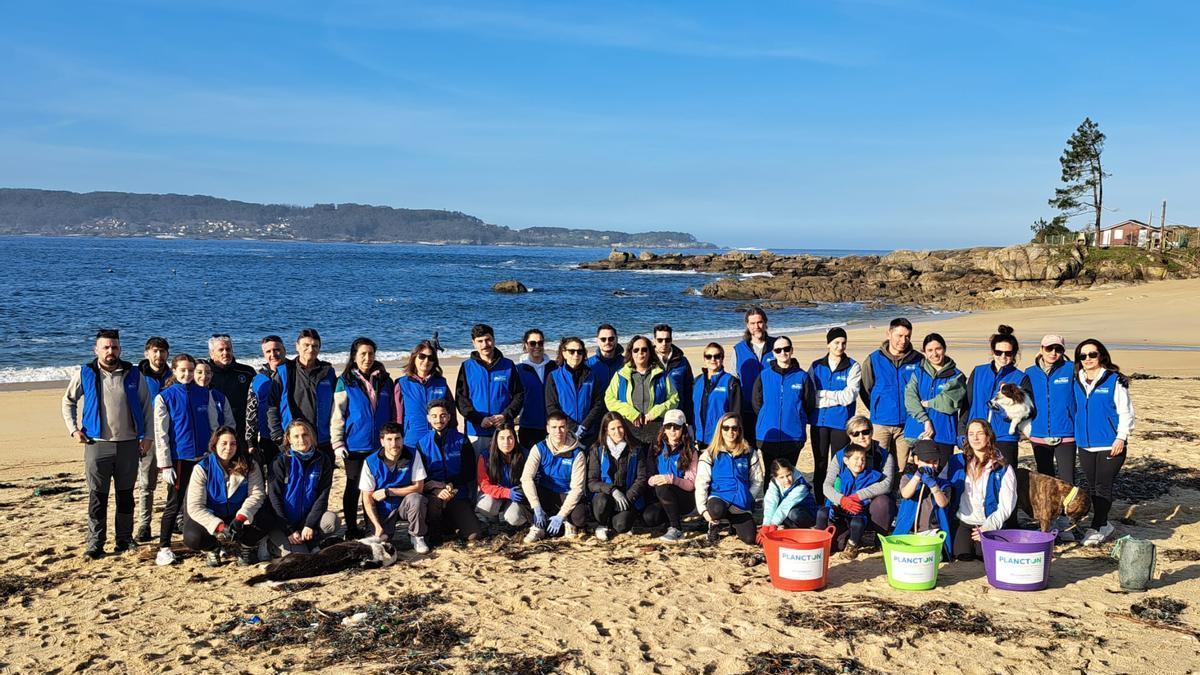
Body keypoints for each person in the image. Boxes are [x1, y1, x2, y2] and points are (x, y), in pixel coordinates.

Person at [61, 329, 153, 559]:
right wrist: (73, 429)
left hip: (129, 444)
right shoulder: (86, 373)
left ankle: (124, 539)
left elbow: (146, 407)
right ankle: (95, 543)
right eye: (106, 347)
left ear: (120, 349)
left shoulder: (133, 373)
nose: (110, 351)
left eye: (114, 347)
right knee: (97, 497)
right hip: (97, 444)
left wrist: (148, 437)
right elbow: (68, 401)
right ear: (96, 350)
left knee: (125, 496)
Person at [153, 353, 224, 566]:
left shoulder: (204, 394)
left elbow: (214, 427)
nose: (187, 374)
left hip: (203, 457)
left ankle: (210, 544)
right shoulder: (165, 397)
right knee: (174, 504)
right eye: (182, 370)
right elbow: (161, 434)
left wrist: (216, 455)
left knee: (207, 502)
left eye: (191, 370)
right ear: (174, 371)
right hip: (179, 459)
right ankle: (164, 548)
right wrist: (165, 464)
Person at [331, 337, 395, 539]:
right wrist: (337, 442)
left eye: (371, 354)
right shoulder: (344, 381)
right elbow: (338, 414)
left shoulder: (385, 380)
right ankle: (351, 528)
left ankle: (372, 526)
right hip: (354, 446)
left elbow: (392, 411)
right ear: (354, 356)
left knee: (375, 488)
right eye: (363, 354)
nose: (367, 358)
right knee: (353, 487)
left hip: (379, 445)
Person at [1073, 339, 1135, 546]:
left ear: (1101, 355)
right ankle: (1104, 523)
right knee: (1092, 486)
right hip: (1085, 443)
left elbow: (1126, 411)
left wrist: (1121, 437)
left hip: (1110, 443)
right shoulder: (1077, 379)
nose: (1088, 359)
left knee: (1103, 486)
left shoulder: (1113, 380)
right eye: (1083, 356)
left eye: (1092, 354)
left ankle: (1097, 526)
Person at [183, 426, 267, 567]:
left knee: (267, 519)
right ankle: (213, 547)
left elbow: (257, 494)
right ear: (215, 445)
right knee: (192, 537)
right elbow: (195, 506)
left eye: (233, 444)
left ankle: (245, 547)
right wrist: (219, 526)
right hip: (213, 514)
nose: (228, 448)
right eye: (224, 443)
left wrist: (241, 518)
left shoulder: (249, 464)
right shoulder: (202, 468)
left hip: (239, 514)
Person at [962, 325, 1034, 481]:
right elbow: (967, 403)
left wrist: (1003, 411)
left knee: (1005, 481)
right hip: (976, 436)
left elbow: (1027, 411)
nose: (1003, 356)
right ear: (992, 351)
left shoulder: (1021, 378)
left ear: (1014, 354)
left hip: (1004, 437)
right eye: (998, 352)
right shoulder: (979, 371)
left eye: (1008, 353)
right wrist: (962, 431)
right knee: (974, 481)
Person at [265, 420, 340, 556]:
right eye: (296, 436)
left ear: (311, 436)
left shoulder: (322, 459)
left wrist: (309, 524)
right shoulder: (280, 461)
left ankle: (311, 540)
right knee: (300, 556)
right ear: (289, 439)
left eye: (305, 434)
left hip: (306, 520)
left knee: (332, 521)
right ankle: (272, 545)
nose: (301, 439)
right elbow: (274, 498)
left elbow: (322, 497)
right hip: (283, 523)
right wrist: (289, 530)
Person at [823, 415, 896, 550]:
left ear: (872, 432)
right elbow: (827, 485)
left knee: (883, 503)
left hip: (871, 504)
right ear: (849, 436)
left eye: (865, 432)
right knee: (838, 545)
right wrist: (842, 500)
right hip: (846, 507)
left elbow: (887, 484)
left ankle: (880, 538)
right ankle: (853, 535)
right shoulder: (840, 456)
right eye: (855, 434)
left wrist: (857, 496)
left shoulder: (885, 456)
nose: (861, 437)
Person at [860, 317, 923, 472]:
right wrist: (877, 408)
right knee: (878, 465)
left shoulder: (918, 360)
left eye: (907, 336)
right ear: (889, 334)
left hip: (907, 423)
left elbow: (922, 390)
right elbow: (865, 389)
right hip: (881, 423)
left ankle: (897, 488)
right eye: (899, 336)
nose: (903, 340)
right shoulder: (874, 359)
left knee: (900, 467)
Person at [949, 419, 1017, 560]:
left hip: (988, 523)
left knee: (984, 557)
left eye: (980, 433)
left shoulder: (1003, 468)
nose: (975, 438)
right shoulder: (956, 462)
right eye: (971, 434)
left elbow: (1006, 506)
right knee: (962, 557)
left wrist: (988, 527)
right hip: (963, 521)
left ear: (988, 436)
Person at [415, 400, 482, 544]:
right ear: (428, 418)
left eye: (443, 415)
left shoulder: (461, 440)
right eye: (434, 416)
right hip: (434, 495)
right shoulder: (421, 444)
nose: (438, 420)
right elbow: (420, 475)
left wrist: (451, 485)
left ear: (449, 417)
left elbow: (469, 471)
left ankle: (453, 523)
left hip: (456, 492)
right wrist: (436, 489)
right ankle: (436, 530)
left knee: (473, 535)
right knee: (434, 506)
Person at [808, 327, 860, 502]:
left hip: (841, 423)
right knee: (820, 463)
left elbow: (849, 396)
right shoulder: (816, 366)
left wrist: (824, 394)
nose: (840, 346)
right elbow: (811, 395)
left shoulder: (853, 366)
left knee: (837, 463)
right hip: (819, 422)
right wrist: (835, 397)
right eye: (836, 342)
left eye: (843, 343)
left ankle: (835, 500)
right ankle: (819, 500)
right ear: (828, 344)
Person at [695, 412, 763, 546]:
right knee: (717, 510)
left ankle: (733, 523)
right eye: (726, 428)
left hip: (740, 502)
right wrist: (703, 510)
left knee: (750, 538)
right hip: (719, 498)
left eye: (734, 428)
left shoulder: (749, 453)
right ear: (720, 430)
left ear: (739, 430)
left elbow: (757, 480)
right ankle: (714, 525)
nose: (730, 432)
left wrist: (749, 496)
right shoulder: (710, 454)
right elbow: (701, 483)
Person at [902, 333, 967, 470]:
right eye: (930, 350)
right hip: (919, 432)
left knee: (941, 474)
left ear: (944, 349)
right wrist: (925, 420)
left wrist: (929, 403)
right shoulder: (918, 373)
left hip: (943, 434)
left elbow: (949, 403)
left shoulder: (956, 375)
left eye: (938, 349)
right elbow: (910, 398)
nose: (934, 354)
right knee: (919, 475)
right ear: (924, 352)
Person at [520, 412, 588, 542]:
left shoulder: (577, 453)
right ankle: (537, 526)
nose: (558, 431)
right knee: (520, 493)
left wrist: (561, 515)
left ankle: (568, 523)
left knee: (580, 517)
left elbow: (577, 489)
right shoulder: (539, 448)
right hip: (545, 492)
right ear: (547, 429)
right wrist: (536, 506)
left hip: (566, 494)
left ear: (567, 428)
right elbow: (526, 478)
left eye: (562, 427)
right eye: (554, 427)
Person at [361, 422, 429, 552]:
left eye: (397, 438)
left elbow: (418, 487)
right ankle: (380, 529)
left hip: (405, 504)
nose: (394, 444)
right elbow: (367, 498)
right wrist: (376, 525)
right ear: (382, 441)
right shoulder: (370, 461)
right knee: (378, 543)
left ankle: (417, 536)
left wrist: (389, 491)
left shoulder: (413, 454)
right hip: (383, 508)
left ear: (403, 439)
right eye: (389, 439)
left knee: (417, 498)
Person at [268, 328, 337, 452]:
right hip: (294, 439)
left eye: (315, 346)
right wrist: (277, 434)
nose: (310, 349)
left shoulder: (328, 372)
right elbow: (272, 406)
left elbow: (337, 404)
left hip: (322, 439)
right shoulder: (284, 372)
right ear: (297, 346)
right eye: (306, 345)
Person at [604, 335, 680, 445]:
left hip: (656, 430)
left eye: (644, 349)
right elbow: (609, 399)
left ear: (649, 352)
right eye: (636, 350)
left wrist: (656, 411)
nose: (640, 353)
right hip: (628, 430)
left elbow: (674, 399)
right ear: (631, 353)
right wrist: (630, 412)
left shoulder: (661, 375)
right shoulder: (620, 375)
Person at [456, 324, 524, 446]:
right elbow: (461, 399)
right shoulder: (467, 366)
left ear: (494, 340)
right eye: (480, 341)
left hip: (503, 431)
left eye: (488, 339)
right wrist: (478, 419)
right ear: (474, 343)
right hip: (476, 431)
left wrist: (505, 415)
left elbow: (518, 395)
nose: (485, 344)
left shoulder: (508, 365)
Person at [587, 411, 650, 541]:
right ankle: (602, 524)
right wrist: (612, 490)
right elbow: (592, 482)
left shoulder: (636, 448)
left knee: (622, 525)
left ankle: (617, 522)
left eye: (620, 427)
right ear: (606, 430)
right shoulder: (597, 449)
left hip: (628, 497)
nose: (617, 431)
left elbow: (641, 478)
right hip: (606, 495)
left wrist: (628, 497)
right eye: (613, 428)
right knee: (601, 502)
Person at [752, 336, 811, 470]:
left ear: (792, 350)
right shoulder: (764, 375)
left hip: (793, 436)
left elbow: (808, 404)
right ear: (773, 353)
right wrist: (767, 416)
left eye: (786, 349)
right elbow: (757, 402)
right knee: (770, 474)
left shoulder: (802, 376)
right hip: (768, 435)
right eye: (778, 350)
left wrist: (797, 418)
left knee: (788, 474)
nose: (783, 352)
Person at [817, 442, 885, 558]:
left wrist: (861, 502)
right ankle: (819, 540)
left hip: (858, 513)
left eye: (863, 459)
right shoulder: (839, 478)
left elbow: (872, 495)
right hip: (839, 513)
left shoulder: (872, 477)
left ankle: (852, 545)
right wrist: (837, 504)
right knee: (822, 512)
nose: (860, 462)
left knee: (857, 522)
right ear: (846, 461)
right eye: (856, 459)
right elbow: (832, 496)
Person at [1027, 335, 1078, 485]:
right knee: (1046, 482)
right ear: (1041, 349)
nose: (1053, 353)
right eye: (1049, 348)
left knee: (1067, 482)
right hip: (1039, 434)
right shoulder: (1030, 372)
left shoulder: (1071, 369)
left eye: (1058, 349)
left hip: (1066, 433)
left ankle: (1068, 503)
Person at [642, 409, 699, 542]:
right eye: (668, 426)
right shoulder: (656, 446)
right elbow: (649, 473)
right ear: (664, 428)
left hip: (684, 497)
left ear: (683, 428)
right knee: (650, 517)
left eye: (677, 427)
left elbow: (691, 484)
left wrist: (671, 479)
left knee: (663, 487)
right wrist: (653, 480)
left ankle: (676, 528)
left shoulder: (690, 450)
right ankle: (670, 519)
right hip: (661, 496)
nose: (672, 430)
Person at [135, 336, 171, 543]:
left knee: (173, 482)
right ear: (147, 353)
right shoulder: (137, 376)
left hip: (170, 437)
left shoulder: (174, 375)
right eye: (155, 351)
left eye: (162, 351)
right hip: (147, 436)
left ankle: (176, 520)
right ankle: (144, 524)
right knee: (147, 484)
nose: (159, 355)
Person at [892, 439, 954, 559]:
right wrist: (917, 477)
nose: (931, 466)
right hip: (909, 531)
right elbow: (905, 494)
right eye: (927, 462)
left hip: (932, 532)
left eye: (935, 462)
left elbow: (943, 503)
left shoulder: (943, 484)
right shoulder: (907, 478)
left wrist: (933, 485)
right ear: (916, 460)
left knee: (932, 556)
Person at [545, 336, 605, 448]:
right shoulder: (554, 376)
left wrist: (584, 426)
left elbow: (598, 403)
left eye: (579, 351)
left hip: (589, 433)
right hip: (564, 434)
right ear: (564, 353)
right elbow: (551, 406)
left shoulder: (592, 376)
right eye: (571, 351)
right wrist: (572, 427)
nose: (576, 355)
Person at [732, 307, 776, 447]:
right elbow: (734, 381)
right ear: (747, 325)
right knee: (748, 450)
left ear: (765, 323)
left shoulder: (777, 346)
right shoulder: (738, 349)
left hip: (771, 408)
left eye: (759, 322)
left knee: (770, 450)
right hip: (747, 410)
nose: (756, 326)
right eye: (752, 323)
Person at [394, 339, 453, 440]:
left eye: (431, 358)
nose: (426, 361)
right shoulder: (402, 383)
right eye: (422, 356)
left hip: (438, 438)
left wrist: (452, 434)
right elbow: (397, 415)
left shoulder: (441, 383)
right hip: (412, 438)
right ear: (414, 358)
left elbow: (451, 411)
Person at [206, 334, 257, 449]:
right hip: (213, 431)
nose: (225, 353)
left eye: (228, 349)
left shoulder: (247, 372)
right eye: (221, 350)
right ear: (212, 353)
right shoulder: (204, 374)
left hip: (241, 431)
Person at [475, 423, 530, 529]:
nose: (506, 442)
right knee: (486, 505)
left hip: (516, 495)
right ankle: (487, 520)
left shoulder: (524, 454)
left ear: (515, 438)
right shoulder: (486, 456)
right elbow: (484, 485)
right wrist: (506, 492)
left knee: (514, 518)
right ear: (496, 440)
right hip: (497, 494)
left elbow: (532, 479)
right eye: (502, 438)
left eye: (510, 438)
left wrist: (521, 491)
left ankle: (509, 519)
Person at [245, 335, 286, 476]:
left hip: (293, 437)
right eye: (268, 351)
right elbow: (251, 411)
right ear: (263, 354)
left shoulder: (294, 372)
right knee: (272, 478)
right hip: (267, 438)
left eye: (276, 349)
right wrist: (251, 442)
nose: (273, 354)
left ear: (284, 350)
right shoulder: (258, 379)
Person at [692, 343, 742, 449]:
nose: (713, 359)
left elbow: (736, 413)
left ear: (722, 358)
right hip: (699, 439)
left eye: (717, 356)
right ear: (704, 359)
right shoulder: (697, 381)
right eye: (709, 356)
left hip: (721, 439)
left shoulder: (731, 382)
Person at [516, 328, 557, 448]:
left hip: (552, 426)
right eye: (532, 343)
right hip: (528, 426)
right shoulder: (518, 370)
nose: (537, 346)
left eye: (540, 343)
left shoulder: (554, 367)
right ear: (525, 345)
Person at [653, 324, 694, 425]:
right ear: (654, 340)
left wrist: (689, 419)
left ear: (671, 340)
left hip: (678, 415)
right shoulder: (648, 361)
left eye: (667, 340)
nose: (664, 343)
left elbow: (689, 391)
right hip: (655, 417)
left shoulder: (682, 362)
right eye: (660, 340)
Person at [762, 458, 817, 529]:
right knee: (767, 504)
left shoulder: (801, 485)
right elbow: (770, 502)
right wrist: (766, 525)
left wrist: (773, 524)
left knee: (793, 514)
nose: (786, 480)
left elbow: (786, 505)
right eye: (781, 477)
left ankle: (805, 528)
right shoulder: (774, 483)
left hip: (805, 514)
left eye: (788, 475)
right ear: (775, 477)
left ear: (792, 471)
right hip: (785, 512)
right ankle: (783, 526)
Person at [586, 324, 624, 409]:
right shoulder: (588, 365)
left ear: (616, 339)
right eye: (603, 339)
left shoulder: (626, 364)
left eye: (611, 339)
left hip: (620, 411)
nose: (607, 342)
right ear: (597, 341)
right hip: (595, 412)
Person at [194, 359, 230, 426]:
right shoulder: (187, 396)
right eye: (199, 372)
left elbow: (230, 423)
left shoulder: (220, 397)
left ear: (212, 374)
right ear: (192, 374)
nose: (204, 376)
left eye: (208, 373)